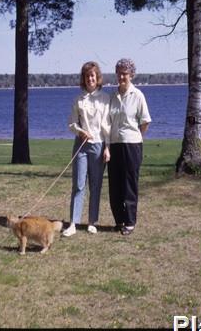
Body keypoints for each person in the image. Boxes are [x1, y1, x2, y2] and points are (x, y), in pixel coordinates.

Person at [63, 61, 111, 237]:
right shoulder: (78, 100)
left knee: (96, 185)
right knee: (79, 184)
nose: (90, 78)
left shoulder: (106, 98)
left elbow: (107, 126)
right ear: (83, 79)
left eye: (93, 75)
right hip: (81, 146)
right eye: (87, 76)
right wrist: (81, 132)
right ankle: (73, 223)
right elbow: (71, 123)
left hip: (99, 146)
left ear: (97, 77)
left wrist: (107, 148)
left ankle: (92, 222)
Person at [107, 58, 151, 236]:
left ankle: (130, 221)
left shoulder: (138, 95)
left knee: (129, 185)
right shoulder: (112, 96)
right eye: (119, 73)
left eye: (125, 73)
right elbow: (107, 122)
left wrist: (137, 136)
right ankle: (119, 220)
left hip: (132, 145)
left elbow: (145, 121)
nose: (121, 76)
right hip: (114, 144)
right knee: (115, 185)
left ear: (131, 75)